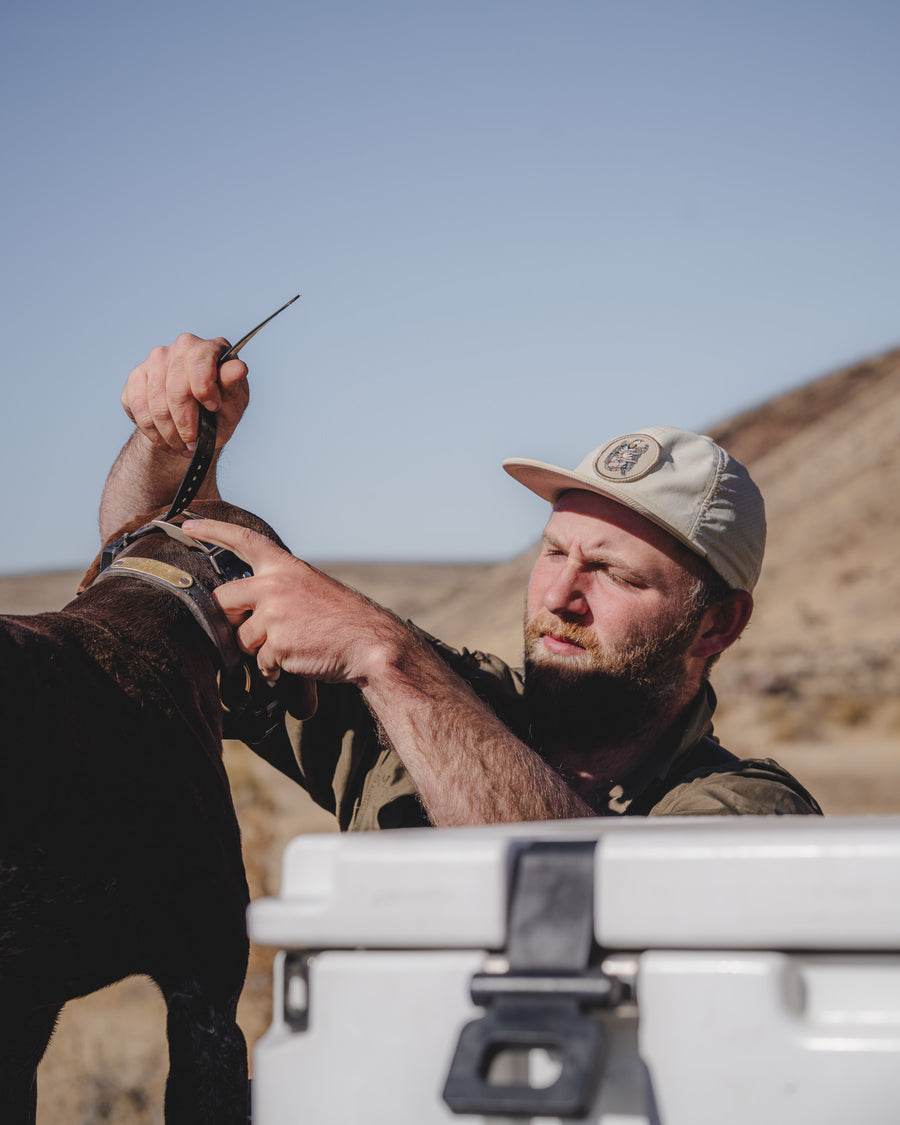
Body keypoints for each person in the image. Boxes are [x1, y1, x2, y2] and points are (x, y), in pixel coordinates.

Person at [100, 333, 822, 828]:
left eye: (612, 572)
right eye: (553, 552)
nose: (559, 595)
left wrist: (388, 657)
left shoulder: (749, 810)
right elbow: (153, 563)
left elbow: (586, 890)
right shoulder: (437, 702)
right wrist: (171, 438)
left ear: (718, 623)